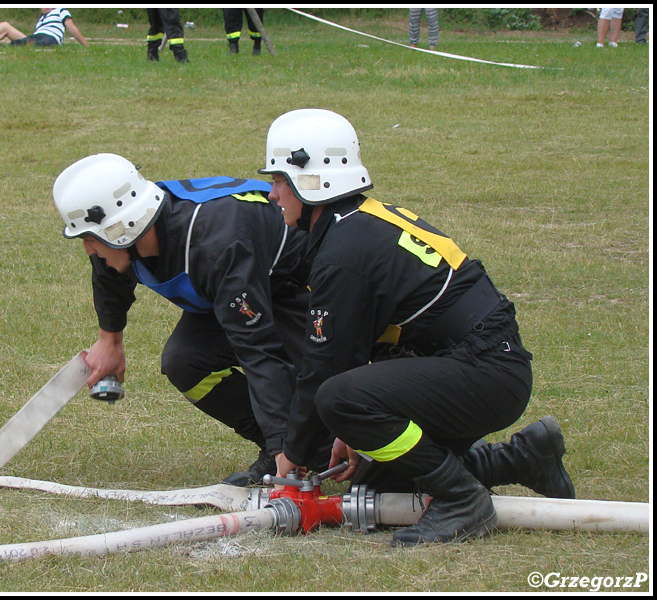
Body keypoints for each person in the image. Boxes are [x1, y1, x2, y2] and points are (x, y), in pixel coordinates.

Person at [259, 109, 574, 547]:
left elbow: (326, 370)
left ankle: (464, 501)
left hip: (485, 372)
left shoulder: (344, 252)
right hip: (483, 364)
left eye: (278, 180)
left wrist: (291, 453)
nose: (273, 193)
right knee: (379, 481)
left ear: (312, 181)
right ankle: (522, 459)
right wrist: (353, 428)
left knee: (338, 397)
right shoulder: (360, 224)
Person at [53, 154, 330, 486]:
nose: (88, 251)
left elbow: (259, 353)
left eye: (89, 240)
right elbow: (110, 276)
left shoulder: (215, 245)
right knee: (184, 361)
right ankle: (285, 452)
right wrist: (109, 341)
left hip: (297, 286)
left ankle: (311, 451)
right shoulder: (128, 234)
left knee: (314, 373)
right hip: (238, 285)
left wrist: (284, 441)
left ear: (123, 229)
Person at [11, 8, 89, 47]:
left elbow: (71, 27)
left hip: (51, 36)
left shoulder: (60, 10)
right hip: (37, 35)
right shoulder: (41, 19)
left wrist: (85, 44)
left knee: (42, 43)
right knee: (17, 43)